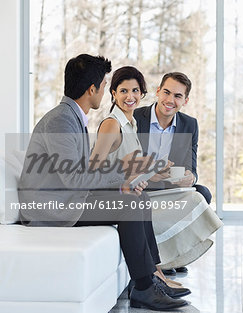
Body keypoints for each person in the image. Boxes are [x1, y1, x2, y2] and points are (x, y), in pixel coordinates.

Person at [18, 55, 188, 311]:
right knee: (129, 205)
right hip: (51, 206)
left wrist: (125, 181)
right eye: (105, 83)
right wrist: (123, 173)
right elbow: (75, 177)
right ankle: (143, 288)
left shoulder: (71, 117)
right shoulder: (61, 121)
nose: (105, 91)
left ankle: (152, 277)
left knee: (137, 198)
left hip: (67, 196)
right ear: (92, 89)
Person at [89, 65, 186, 291]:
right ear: (113, 93)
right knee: (138, 201)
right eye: (123, 91)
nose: (129, 97)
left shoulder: (131, 125)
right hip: (100, 195)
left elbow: (128, 169)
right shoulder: (112, 125)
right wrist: (126, 179)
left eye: (135, 91)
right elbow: (93, 170)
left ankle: (155, 270)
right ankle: (151, 277)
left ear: (142, 94)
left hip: (119, 190)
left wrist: (151, 173)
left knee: (142, 200)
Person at [134, 72, 223, 274]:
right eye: (166, 92)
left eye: (177, 96)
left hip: (170, 187)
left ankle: (175, 254)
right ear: (158, 91)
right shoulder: (137, 118)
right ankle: (164, 258)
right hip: (142, 186)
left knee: (203, 193)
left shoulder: (189, 124)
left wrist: (190, 178)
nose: (170, 100)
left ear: (185, 100)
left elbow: (191, 166)